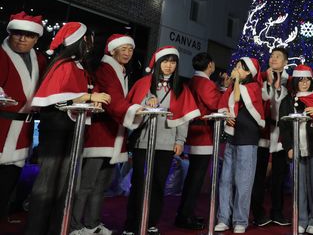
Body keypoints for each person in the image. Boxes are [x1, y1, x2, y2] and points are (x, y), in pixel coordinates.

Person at [26, 22, 112, 235]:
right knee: (48, 182)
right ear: (81, 41)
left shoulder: (78, 66)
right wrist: (90, 97)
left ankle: (56, 228)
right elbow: (56, 97)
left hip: (72, 129)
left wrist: (90, 100)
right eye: (88, 39)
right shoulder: (64, 65)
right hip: (57, 130)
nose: (91, 44)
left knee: (65, 183)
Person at [71, 34, 143, 235]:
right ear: (112, 50)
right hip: (100, 133)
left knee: (101, 184)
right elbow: (113, 98)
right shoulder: (106, 69)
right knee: (87, 183)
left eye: (130, 49)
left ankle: (92, 224)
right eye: (124, 48)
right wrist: (134, 110)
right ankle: (74, 226)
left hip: (113, 134)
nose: (128, 52)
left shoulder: (120, 70)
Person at [123, 46, 200, 235]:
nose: (168, 66)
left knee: (158, 183)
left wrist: (180, 141)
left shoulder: (180, 88)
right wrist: (145, 103)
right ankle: (132, 224)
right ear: (158, 63)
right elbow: (130, 109)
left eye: (173, 62)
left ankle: (151, 222)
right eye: (165, 61)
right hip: (143, 141)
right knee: (139, 182)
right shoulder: (143, 84)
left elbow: (183, 117)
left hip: (167, 143)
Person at [0, 12, 47, 218]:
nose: (22, 39)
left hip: (22, 131)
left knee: (7, 186)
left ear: (36, 38)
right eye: (18, 33)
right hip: (1, 126)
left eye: (28, 35)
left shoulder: (41, 60)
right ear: (10, 33)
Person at [279, 64, 313, 235]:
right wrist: (288, 147)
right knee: (298, 186)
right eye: (300, 80)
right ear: (295, 81)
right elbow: (284, 126)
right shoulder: (287, 101)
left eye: (307, 80)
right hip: (296, 149)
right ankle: (301, 219)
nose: (304, 83)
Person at [214, 57, 265, 234]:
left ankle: (240, 220)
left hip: (247, 138)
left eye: (241, 69)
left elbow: (237, 96)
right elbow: (225, 104)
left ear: (250, 72)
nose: (236, 70)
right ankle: (223, 217)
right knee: (226, 179)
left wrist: (234, 82)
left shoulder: (253, 87)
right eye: (236, 66)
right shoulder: (232, 87)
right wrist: (226, 115)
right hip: (231, 136)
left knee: (243, 181)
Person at [175, 52, 223, 230]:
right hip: (202, 135)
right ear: (210, 65)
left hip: (191, 132)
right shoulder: (206, 84)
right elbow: (216, 105)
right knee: (196, 178)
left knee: (192, 178)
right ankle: (186, 215)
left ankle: (185, 213)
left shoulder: (192, 81)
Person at [251, 47, 291, 227]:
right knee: (258, 175)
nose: (273, 59)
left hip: (281, 135)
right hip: (263, 131)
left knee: (279, 176)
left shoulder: (290, 82)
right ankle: (258, 213)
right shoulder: (259, 78)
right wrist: (268, 84)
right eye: (272, 56)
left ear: (285, 62)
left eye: (278, 57)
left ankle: (277, 212)